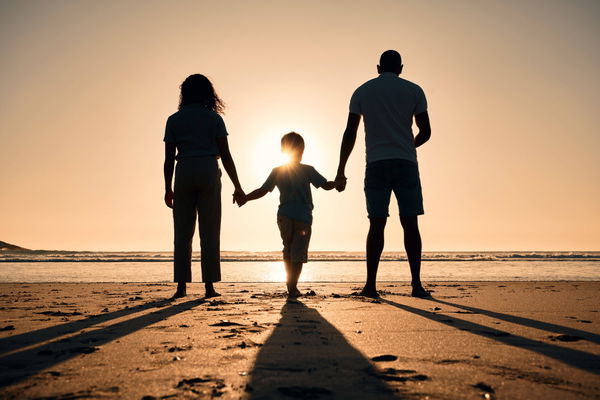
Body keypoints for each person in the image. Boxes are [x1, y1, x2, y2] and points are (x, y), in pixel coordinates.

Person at [334, 50, 432, 298]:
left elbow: (350, 133)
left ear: (378, 67)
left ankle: (370, 285)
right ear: (401, 67)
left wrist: (341, 170)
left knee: (377, 223)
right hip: (406, 163)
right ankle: (417, 285)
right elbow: (426, 131)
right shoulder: (414, 90)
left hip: (376, 163)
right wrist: (410, 145)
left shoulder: (362, 91)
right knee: (410, 223)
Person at [163, 74, 245, 299]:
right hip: (208, 168)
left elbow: (169, 158)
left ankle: (181, 286)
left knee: (182, 232)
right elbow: (226, 155)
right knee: (209, 231)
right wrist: (237, 186)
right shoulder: (214, 119)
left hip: (184, 169)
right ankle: (209, 286)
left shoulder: (174, 120)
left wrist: (167, 187)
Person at [238, 132, 335, 297]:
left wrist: (246, 197)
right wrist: (337, 184)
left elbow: (263, 190)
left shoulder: (278, 171)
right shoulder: (307, 170)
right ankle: (292, 285)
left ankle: (291, 285)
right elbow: (325, 185)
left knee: (288, 249)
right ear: (302, 151)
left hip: (285, 216)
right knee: (298, 251)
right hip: (302, 217)